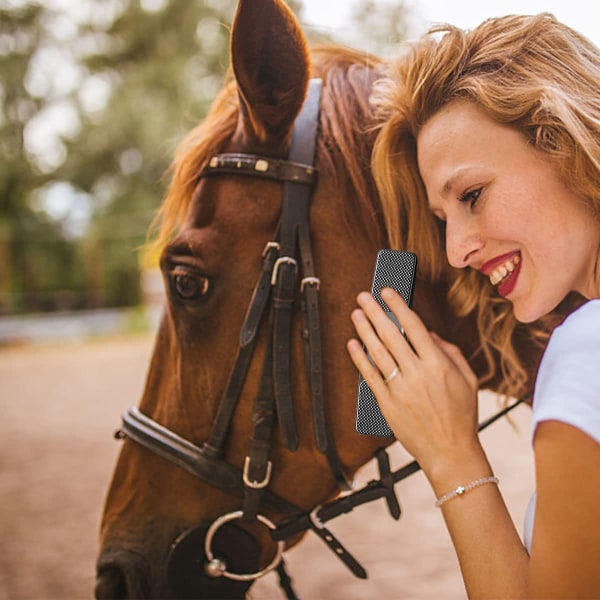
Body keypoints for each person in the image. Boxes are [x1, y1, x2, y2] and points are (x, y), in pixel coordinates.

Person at [347, 13, 600, 599]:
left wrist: (451, 454)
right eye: (443, 221)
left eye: (472, 196)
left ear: (562, 140)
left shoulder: (587, 350)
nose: (456, 252)